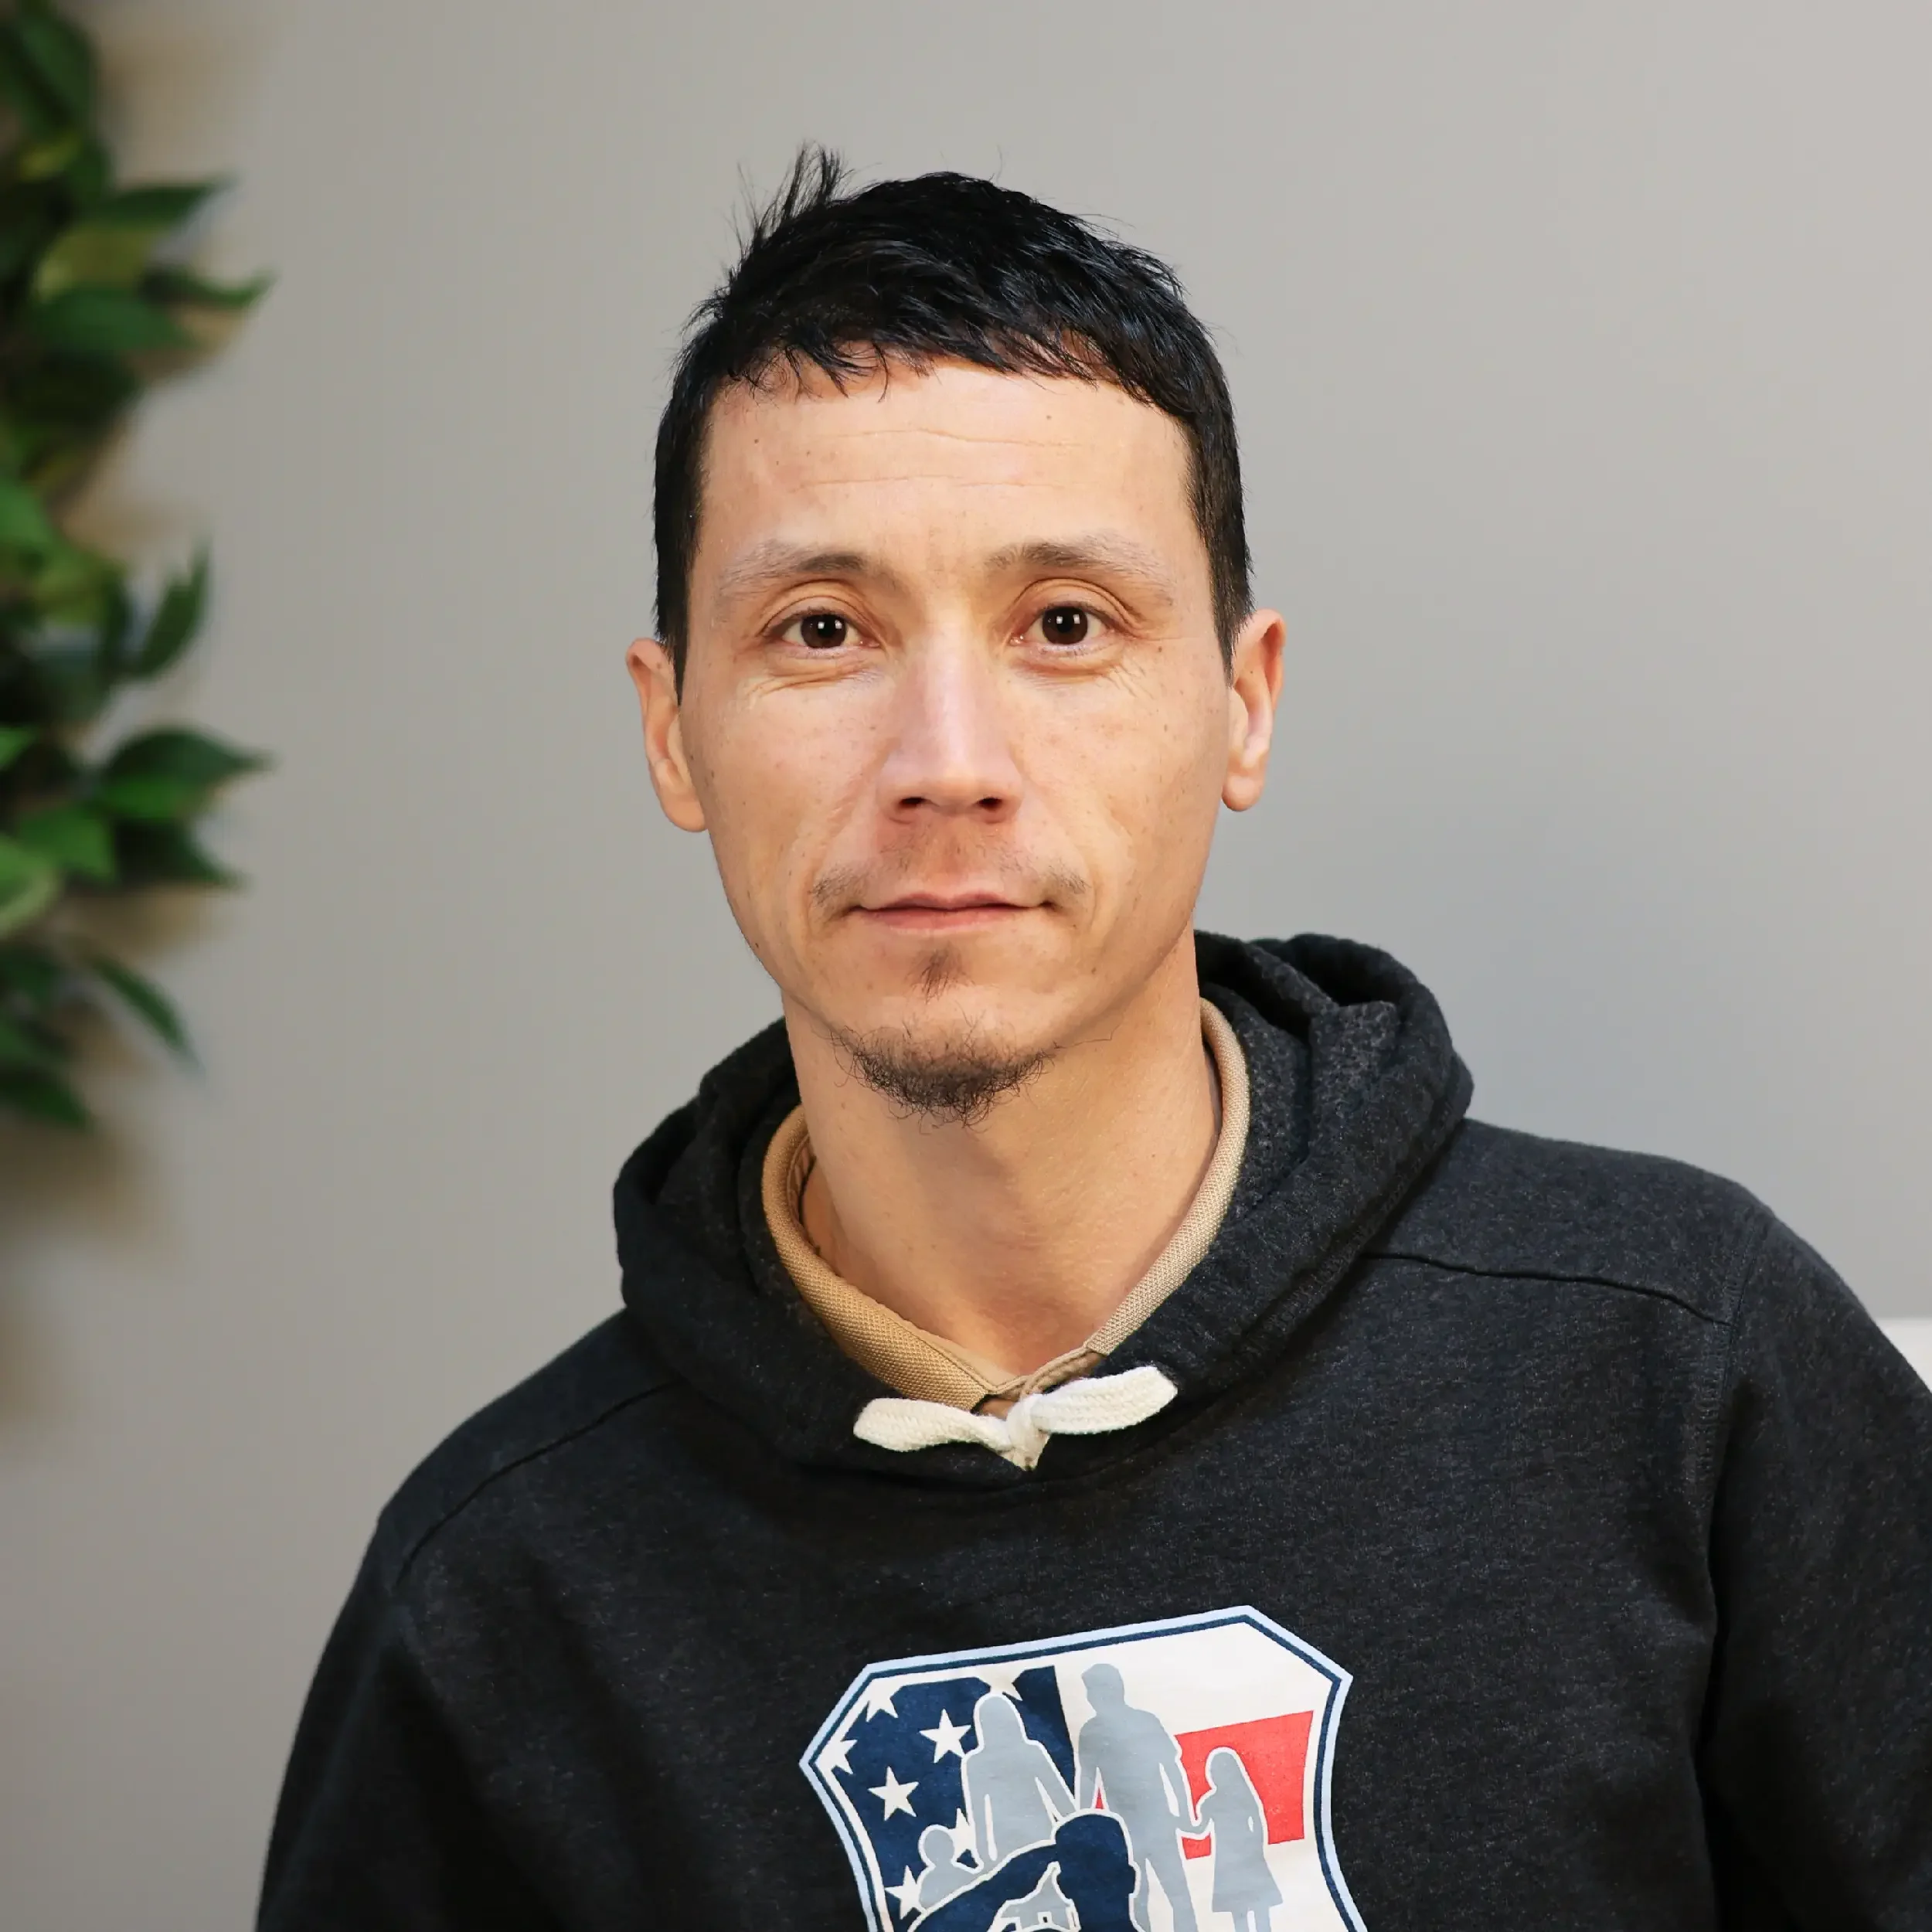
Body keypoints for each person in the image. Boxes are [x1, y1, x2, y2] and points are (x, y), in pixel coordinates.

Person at [257, 149, 1932, 1930]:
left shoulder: (1682, 1372)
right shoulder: (498, 1603)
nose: (948, 758)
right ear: (675, 732)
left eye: (1065, 625)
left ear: (1242, 698)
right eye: (822, 631)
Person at [1073, 1663, 1199, 1932]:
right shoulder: (1091, 1731)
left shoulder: (1146, 1721)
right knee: (1135, 1897)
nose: (1091, 1697)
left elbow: (1172, 1769)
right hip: (1123, 1830)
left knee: (1178, 1893)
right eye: (1089, 1692)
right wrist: (1084, 1827)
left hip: (1159, 1821)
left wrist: (1185, 1813)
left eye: (1094, 1690)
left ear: (1114, 1689)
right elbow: (1087, 1780)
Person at [961, 1692, 1075, 1867]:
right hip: (1017, 1841)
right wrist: (985, 1856)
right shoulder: (977, 1763)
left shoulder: (1029, 1751)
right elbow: (1062, 1802)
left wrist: (985, 1856)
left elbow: (1060, 1799)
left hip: (1037, 1837)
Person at [1196, 1748, 1280, 1932]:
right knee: (1243, 1908)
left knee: (1254, 1905)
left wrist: (1256, 1849)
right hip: (1234, 1860)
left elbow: (1257, 1822)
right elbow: (1201, 1829)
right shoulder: (1213, 1802)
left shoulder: (1237, 1796)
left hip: (1243, 1858)